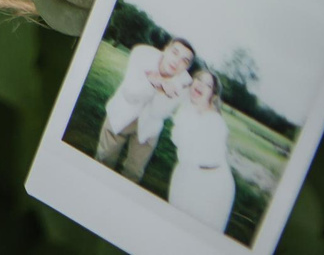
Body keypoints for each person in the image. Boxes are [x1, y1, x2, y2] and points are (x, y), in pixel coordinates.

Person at [95, 36, 194, 182]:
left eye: (184, 61)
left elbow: (159, 112)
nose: (177, 61)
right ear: (165, 49)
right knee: (103, 160)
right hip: (122, 112)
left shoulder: (184, 83)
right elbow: (130, 94)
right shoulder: (142, 54)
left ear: (187, 68)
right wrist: (157, 85)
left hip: (149, 126)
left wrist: (157, 82)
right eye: (175, 52)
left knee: (133, 173)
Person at [166, 69, 237, 234]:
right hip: (187, 173)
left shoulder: (214, 121)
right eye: (198, 79)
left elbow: (193, 155)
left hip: (211, 185)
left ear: (212, 95)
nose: (201, 85)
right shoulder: (187, 108)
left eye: (208, 85)